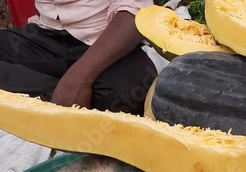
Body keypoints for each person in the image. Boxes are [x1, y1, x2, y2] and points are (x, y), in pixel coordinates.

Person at [0, 0, 158, 116]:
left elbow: (134, 15)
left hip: (105, 40)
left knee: (124, 94)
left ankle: (44, 99)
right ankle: (58, 97)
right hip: (42, 34)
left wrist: (81, 77)